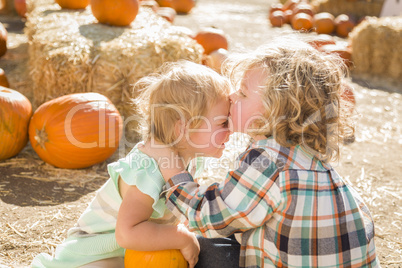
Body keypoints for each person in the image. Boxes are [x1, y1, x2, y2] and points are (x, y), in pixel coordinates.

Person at [160, 37, 379, 267]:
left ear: (277, 111)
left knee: (203, 245)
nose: (232, 97)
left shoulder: (268, 160)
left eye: (243, 93)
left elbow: (210, 216)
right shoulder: (307, 153)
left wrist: (173, 173)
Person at [31, 60, 240, 268]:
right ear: (182, 128)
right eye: (223, 122)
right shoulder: (147, 171)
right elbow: (127, 233)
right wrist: (182, 238)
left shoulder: (191, 157)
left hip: (132, 251)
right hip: (97, 252)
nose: (231, 128)